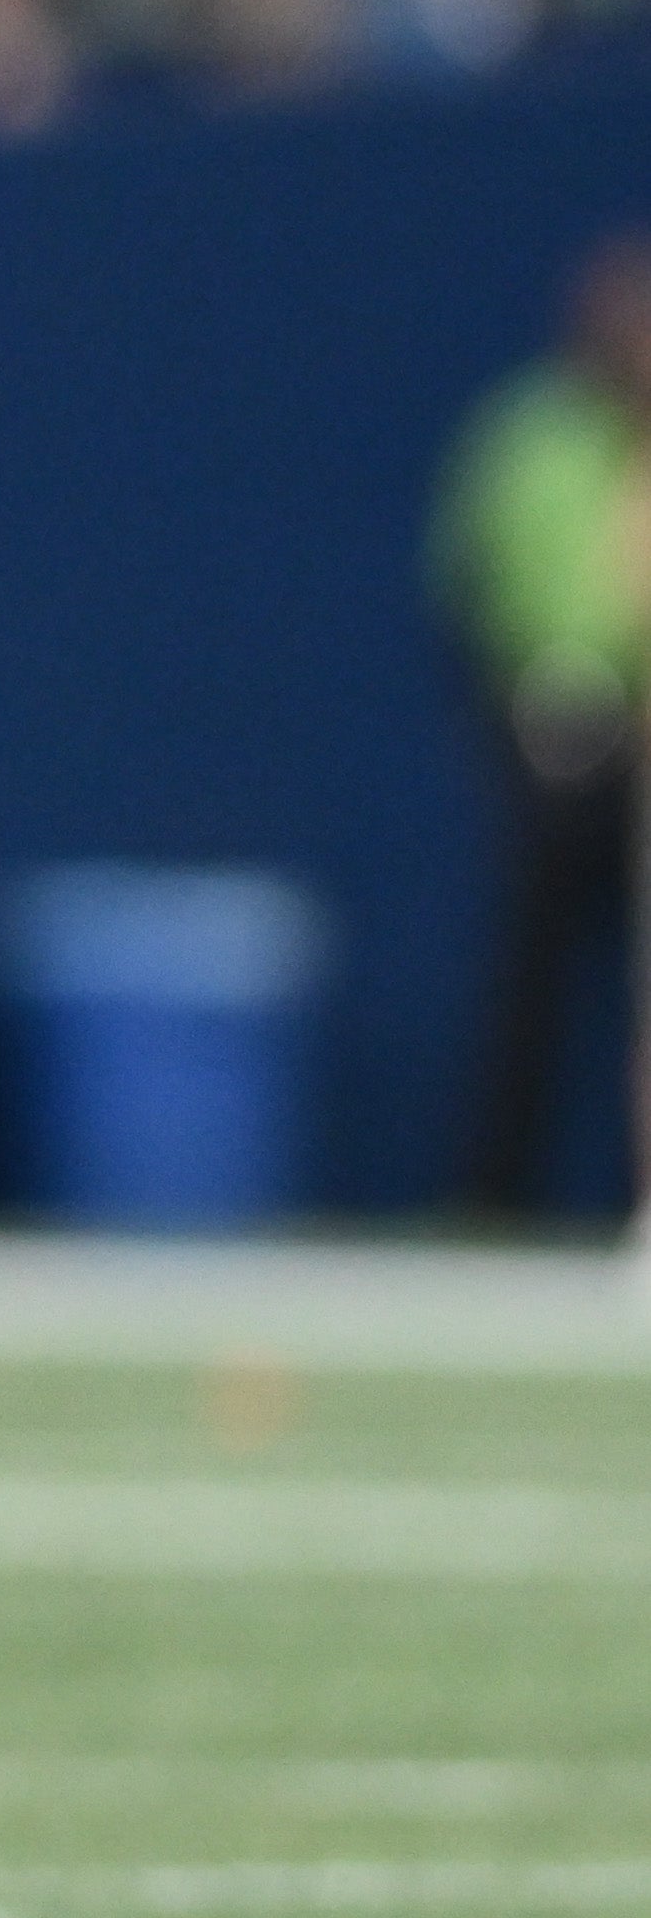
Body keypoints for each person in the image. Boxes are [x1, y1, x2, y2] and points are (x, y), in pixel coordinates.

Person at [426, 231, 651, 1228]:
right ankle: (494, 1201)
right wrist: (521, 707)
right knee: (532, 991)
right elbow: (473, 583)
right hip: (553, 746)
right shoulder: (529, 434)